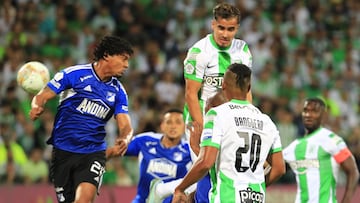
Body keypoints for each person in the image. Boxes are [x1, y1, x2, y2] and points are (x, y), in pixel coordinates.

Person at [29, 35, 134, 203]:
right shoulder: (74, 74)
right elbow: (42, 95)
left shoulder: (118, 91)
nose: (127, 65)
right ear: (107, 55)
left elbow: (125, 124)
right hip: (62, 151)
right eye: (123, 59)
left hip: (93, 152)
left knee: (83, 201)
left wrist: (125, 138)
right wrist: (36, 106)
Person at [172, 63, 285, 203]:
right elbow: (279, 168)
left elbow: (206, 162)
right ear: (249, 88)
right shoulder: (267, 121)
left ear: (223, 85)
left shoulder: (218, 114)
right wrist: (256, 187)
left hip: (227, 197)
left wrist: (180, 188)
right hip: (255, 198)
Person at [183, 3, 253, 202]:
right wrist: (203, 128)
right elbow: (190, 94)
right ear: (213, 24)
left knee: (227, 174)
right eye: (221, 28)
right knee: (206, 170)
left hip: (232, 121)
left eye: (230, 29)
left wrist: (250, 117)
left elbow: (246, 91)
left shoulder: (243, 50)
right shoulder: (199, 52)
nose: (225, 34)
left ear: (237, 28)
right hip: (204, 120)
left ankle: (169, 193)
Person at [106, 109, 193, 203]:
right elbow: (116, 150)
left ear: (184, 127)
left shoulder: (190, 150)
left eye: (178, 122)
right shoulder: (145, 140)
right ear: (162, 126)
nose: (173, 126)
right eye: (169, 122)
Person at [282, 98, 359, 203]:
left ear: (323, 115)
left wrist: (347, 200)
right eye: (306, 110)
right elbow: (275, 168)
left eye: (314, 111)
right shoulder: (294, 147)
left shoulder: (332, 140)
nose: (308, 114)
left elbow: (353, 171)